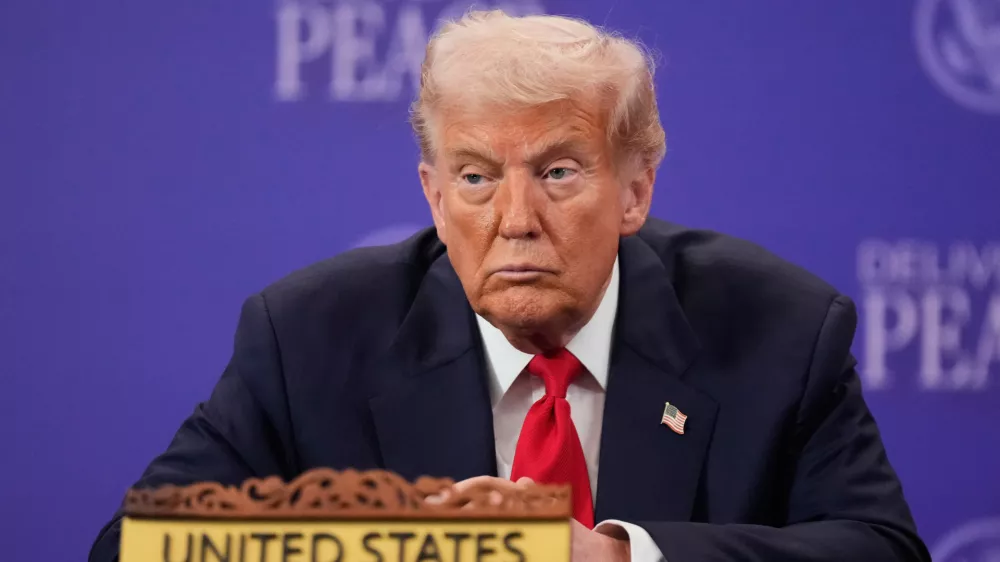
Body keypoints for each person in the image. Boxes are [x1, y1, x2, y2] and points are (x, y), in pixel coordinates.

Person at [90, 10, 930, 562]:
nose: (515, 218)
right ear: (432, 193)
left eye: (558, 172)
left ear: (635, 189)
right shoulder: (308, 335)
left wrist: (612, 556)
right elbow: (137, 546)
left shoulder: (777, 329)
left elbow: (880, 550)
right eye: (477, 177)